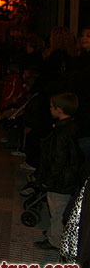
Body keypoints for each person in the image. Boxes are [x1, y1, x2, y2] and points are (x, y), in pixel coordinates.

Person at [34, 93, 82, 250]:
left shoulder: (62, 133)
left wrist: (49, 179)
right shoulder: (70, 126)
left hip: (60, 181)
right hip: (67, 178)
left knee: (58, 209)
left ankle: (55, 240)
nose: (49, 109)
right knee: (58, 208)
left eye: (51, 107)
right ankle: (54, 233)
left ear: (59, 110)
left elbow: (58, 160)